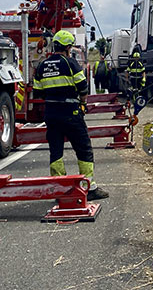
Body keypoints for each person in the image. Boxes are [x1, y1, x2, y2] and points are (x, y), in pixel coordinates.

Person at [33, 30, 108, 200]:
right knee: (83, 149)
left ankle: (60, 189)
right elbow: (83, 87)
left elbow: (38, 92)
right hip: (71, 113)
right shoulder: (71, 63)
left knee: (56, 151)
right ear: (68, 47)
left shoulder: (42, 66)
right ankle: (89, 188)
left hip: (51, 114)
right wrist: (82, 102)